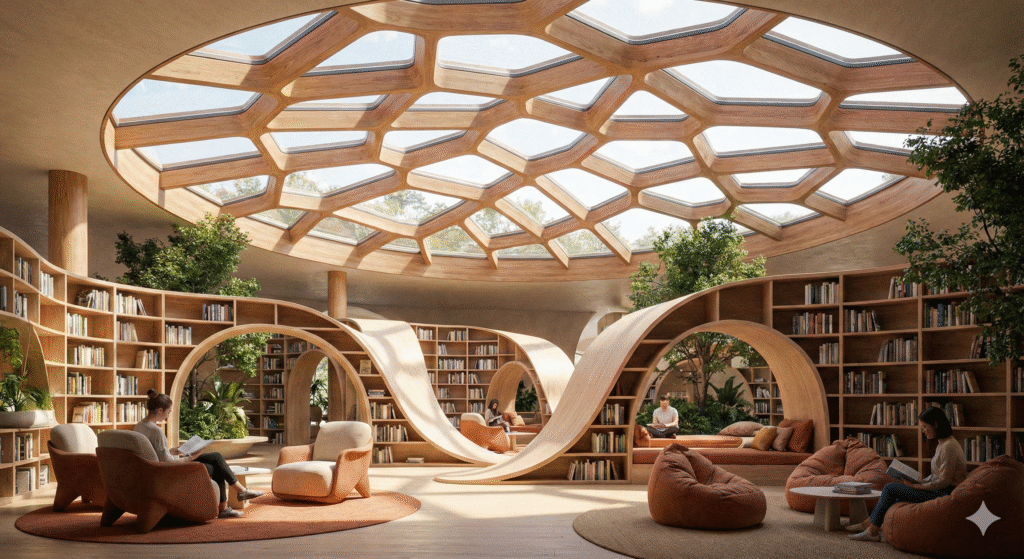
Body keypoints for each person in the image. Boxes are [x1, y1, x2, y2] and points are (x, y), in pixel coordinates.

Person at [135, 389, 264, 518]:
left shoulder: (140, 426)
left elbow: (155, 454)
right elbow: (166, 462)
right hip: (168, 472)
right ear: (160, 411)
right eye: (168, 412)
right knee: (215, 467)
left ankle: (239, 493)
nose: (168, 415)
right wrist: (191, 457)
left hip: (153, 469)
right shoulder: (156, 431)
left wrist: (173, 450)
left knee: (216, 456)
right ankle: (229, 503)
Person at [848, 405, 967, 542]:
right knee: (894, 493)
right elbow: (937, 475)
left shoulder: (949, 447)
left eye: (924, 427)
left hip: (944, 493)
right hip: (939, 489)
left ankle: (872, 531)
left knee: (890, 488)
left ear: (936, 424)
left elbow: (944, 481)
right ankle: (869, 523)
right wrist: (920, 480)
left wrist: (917, 487)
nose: (923, 431)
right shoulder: (943, 444)